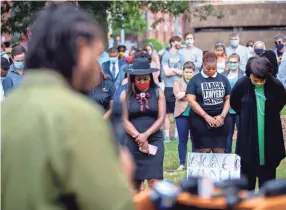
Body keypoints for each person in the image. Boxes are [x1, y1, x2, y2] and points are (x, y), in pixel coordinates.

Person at [1, 4, 134, 210]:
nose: (96, 66)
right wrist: (122, 176)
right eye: (96, 53)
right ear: (81, 50)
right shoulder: (77, 114)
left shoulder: (7, 109)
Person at [230, 57, 286, 190]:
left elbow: (281, 102)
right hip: (248, 136)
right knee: (246, 180)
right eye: (256, 80)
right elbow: (235, 103)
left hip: (269, 136)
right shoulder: (241, 84)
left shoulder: (276, 85)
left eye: (262, 80)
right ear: (250, 74)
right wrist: (248, 115)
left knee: (268, 182)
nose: (259, 83)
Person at [121, 54, 166, 192]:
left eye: (145, 79)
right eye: (139, 79)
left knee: (155, 182)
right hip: (132, 140)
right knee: (134, 182)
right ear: (133, 79)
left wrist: (146, 135)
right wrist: (139, 137)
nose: (142, 81)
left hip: (154, 139)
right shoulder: (125, 94)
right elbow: (123, 119)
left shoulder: (158, 92)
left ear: (150, 78)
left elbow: (161, 117)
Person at [186, 52, 231, 153]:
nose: (211, 71)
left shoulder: (223, 79)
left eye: (214, 69)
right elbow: (191, 100)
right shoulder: (195, 80)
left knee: (219, 150)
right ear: (203, 64)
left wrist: (222, 116)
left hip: (221, 120)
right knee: (204, 149)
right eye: (208, 69)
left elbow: (229, 98)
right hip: (200, 119)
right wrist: (205, 116)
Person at [161, 36, 184, 142]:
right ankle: (166, 136)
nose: (180, 43)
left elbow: (183, 72)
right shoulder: (166, 55)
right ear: (172, 43)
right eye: (178, 42)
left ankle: (176, 135)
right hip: (168, 87)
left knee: (178, 112)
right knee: (166, 114)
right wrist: (177, 70)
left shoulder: (181, 56)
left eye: (180, 42)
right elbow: (166, 72)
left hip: (179, 87)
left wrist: (173, 69)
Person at [173, 61, 196, 171]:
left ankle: (195, 162)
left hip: (195, 114)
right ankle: (182, 163)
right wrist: (190, 94)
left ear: (194, 72)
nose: (188, 74)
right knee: (182, 140)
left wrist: (185, 94)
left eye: (190, 72)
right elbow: (178, 95)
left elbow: (198, 95)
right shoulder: (177, 81)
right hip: (181, 115)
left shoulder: (197, 81)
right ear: (182, 72)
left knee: (195, 138)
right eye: (186, 72)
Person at [222, 53, 244, 153]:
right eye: (230, 62)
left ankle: (240, 155)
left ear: (238, 63)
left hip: (240, 109)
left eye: (234, 62)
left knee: (241, 133)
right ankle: (227, 155)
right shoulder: (223, 75)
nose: (232, 64)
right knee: (228, 133)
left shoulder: (244, 75)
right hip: (227, 110)